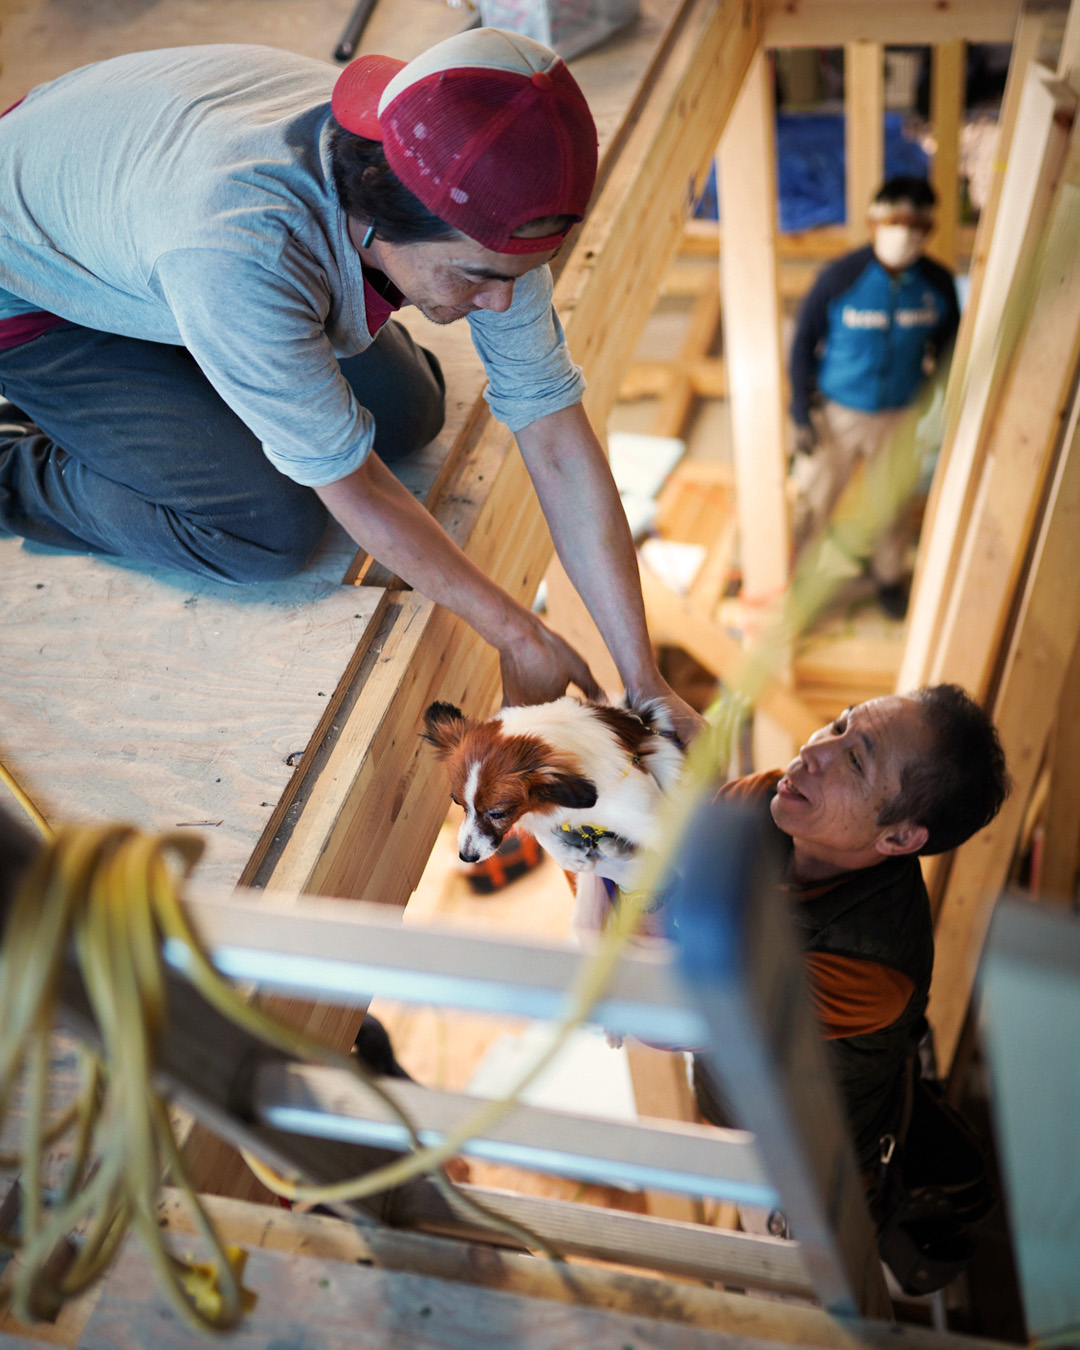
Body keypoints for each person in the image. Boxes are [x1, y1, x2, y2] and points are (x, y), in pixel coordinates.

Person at [0, 30, 700, 740]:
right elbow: (354, 486)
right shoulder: (243, 249)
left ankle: (216, 375)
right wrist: (516, 632)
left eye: (513, 277)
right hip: (30, 285)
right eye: (474, 277)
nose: (497, 303)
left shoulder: (456, 179)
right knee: (269, 528)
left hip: (127, 203)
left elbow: (554, 437)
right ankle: (15, 473)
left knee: (411, 412)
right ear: (381, 218)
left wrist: (646, 682)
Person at [691, 684, 1009, 1183]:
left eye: (855, 762)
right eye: (839, 724)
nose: (812, 750)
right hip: (737, 1114)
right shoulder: (770, 800)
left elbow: (676, 1007)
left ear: (900, 837)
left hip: (818, 1169)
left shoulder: (876, 966)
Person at [788, 177, 961, 616]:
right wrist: (800, 415)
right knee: (817, 501)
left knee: (892, 504)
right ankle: (803, 586)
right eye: (894, 220)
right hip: (838, 412)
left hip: (900, 415)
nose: (905, 232)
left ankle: (887, 579)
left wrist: (932, 407)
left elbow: (950, 351)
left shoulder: (938, 286)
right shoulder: (839, 278)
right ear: (873, 222)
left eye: (916, 223)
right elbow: (802, 343)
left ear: (930, 229)